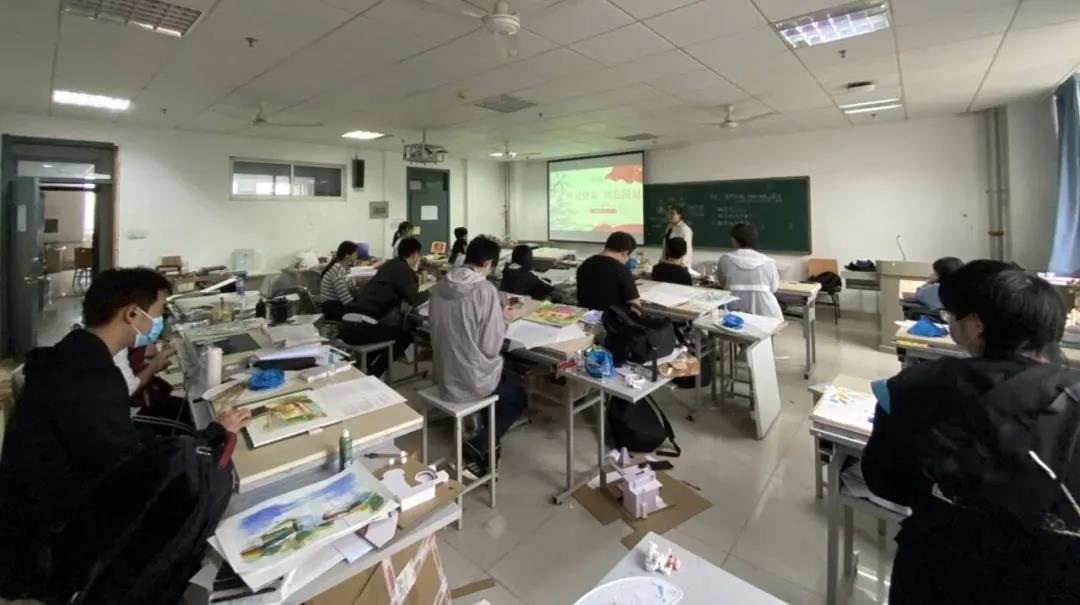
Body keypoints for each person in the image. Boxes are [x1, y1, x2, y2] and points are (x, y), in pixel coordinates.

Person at [0, 268, 250, 598]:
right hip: (51, 543)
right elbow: (135, 469)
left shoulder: (72, 354)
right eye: (157, 314)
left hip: (41, 511)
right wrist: (213, 435)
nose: (157, 323)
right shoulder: (91, 380)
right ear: (132, 313)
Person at [862, 261, 1080, 603]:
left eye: (953, 315)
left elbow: (883, 480)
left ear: (976, 325)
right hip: (1054, 580)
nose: (949, 321)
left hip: (938, 566)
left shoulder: (913, 387)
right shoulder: (1072, 395)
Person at [428, 236, 527, 475]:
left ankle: (483, 437)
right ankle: (478, 444)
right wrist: (503, 318)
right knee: (518, 395)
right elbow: (491, 347)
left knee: (505, 381)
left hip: (444, 374)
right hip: (471, 380)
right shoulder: (485, 290)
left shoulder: (439, 287)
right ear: (488, 263)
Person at [717, 222, 782, 319]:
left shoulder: (725, 259)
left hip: (734, 313)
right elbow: (773, 288)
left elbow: (723, 284)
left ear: (734, 240)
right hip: (767, 315)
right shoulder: (769, 262)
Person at [576, 231, 641, 312]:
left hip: (585, 315)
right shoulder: (621, 270)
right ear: (625, 253)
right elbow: (636, 307)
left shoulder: (586, 263)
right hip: (611, 318)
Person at [319, 240, 360, 320]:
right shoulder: (337, 270)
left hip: (336, 305)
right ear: (347, 255)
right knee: (362, 316)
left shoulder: (342, 268)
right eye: (355, 253)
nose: (357, 256)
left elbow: (350, 287)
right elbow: (346, 299)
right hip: (332, 308)